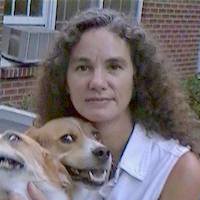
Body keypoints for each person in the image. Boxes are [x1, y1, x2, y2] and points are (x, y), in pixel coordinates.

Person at [10, 8, 200, 200]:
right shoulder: (43, 150)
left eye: (114, 67)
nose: (98, 82)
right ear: (64, 81)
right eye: (83, 67)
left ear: (137, 78)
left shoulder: (177, 168)